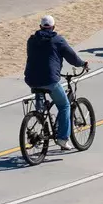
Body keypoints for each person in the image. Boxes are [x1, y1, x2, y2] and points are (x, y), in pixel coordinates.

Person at [24, 15, 86, 144]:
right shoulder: (58, 40)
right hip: (50, 79)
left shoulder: (31, 40)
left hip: (31, 78)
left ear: (40, 27)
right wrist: (82, 64)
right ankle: (63, 138)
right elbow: (72, 57)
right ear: (53, 27)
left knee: (40, 94)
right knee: (64, 106)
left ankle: (40, 118)